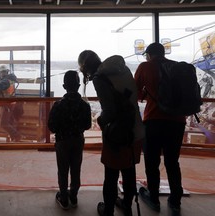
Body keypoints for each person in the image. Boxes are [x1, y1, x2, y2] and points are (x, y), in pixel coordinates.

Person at [78, 50, 144, 216]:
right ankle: (126, 205)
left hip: (117, 132)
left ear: (86, 67)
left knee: (111, 173)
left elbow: (110, 110)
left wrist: (100, 120)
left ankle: (108, 209)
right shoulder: (123, 70)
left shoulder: (100, 78)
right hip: (135, 128)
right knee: (129, 171)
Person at [134, 42, 186, 213]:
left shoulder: (145, 67)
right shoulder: (177, 67)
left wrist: (147, 93)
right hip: (177, 121)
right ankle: (175, 200)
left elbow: (136, 93)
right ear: (163, 53)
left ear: (149, 55)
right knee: (172, 161)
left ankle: (154, 197)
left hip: (154, 120)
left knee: (152, 161)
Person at [48, 70, 92, 210]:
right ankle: (73, 196)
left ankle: (64, 198)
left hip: (62, 141)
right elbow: (87, 125)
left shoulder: (58, 105)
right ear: (79, 86)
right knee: (75, 168)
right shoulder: (85, 106)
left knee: (63, 170)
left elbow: (52, 127)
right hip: (78, 140)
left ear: (64, 86)